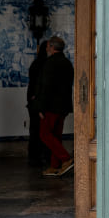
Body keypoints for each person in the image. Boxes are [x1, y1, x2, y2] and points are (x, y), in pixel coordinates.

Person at [38, 35, 75, 177]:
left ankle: (66, 159)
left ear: (52, 47)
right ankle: (55, 166)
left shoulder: (50, 63)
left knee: (45, 134)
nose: (47, 48)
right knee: (56, 136)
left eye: (48, 46)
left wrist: (41, 107)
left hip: (51, 106)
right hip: (64, 105)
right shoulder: (67, 63)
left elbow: (45, 87)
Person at [25, 40, 49, 167]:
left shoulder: (36, 64)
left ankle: (34, 156)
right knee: (40, 129)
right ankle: (40, 156)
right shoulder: (44, 65)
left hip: (33, 101)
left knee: (35, 129)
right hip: (38, 102)